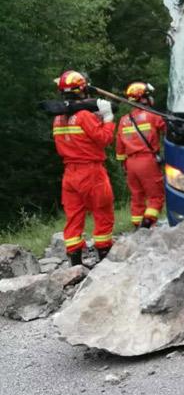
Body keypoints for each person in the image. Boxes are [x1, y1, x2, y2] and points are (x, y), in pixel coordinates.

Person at [51, 71, 116, 266]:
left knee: (74, 217)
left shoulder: (58, 118)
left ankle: (75, 265)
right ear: (82, 89)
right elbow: (104, 139)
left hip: (69, 173)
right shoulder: (84, 116)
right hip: (91, 172)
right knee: (102, 212)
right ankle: (104, 257)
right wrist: (108, 118)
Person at [115, 82, 167, 229]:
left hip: (130, 163)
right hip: (147, 161)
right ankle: (148, 223)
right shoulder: (153, 116)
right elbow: (168, 130)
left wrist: (123, 164)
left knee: (137, 197)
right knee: (155, 197)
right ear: (144, 99)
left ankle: (137, 227)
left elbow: (119, 146)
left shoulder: (124, 120)